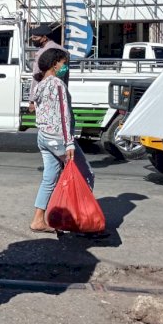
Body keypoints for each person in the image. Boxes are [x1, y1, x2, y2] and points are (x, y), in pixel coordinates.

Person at [30, 48, 95, 233]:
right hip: (58, 138)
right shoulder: (57, 84)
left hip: (43, 137)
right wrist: (69, 142)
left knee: (49, 178)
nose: (65, 67)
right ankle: (81, 220)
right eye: (64, 63)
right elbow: (63, 115)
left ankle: (38, 220)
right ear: (55, 64)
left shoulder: (40, 83)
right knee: (86, 175)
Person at [28, 25, 69, 113]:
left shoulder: (42, 53)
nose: (33, 39)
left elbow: (36, 76)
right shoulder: (64, 51)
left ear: (44, 38)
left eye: (35, 37)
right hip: (60, 91)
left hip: (45, 94)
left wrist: (32, 100)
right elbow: (65, 74)